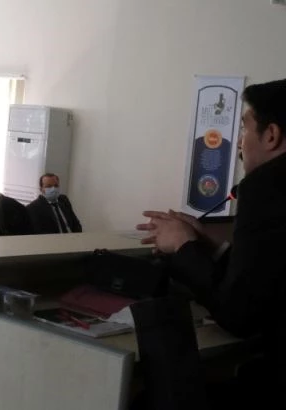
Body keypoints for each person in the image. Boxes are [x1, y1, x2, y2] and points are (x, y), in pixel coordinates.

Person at [136, 79, 286, 409]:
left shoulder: (267, 187)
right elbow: (268, 277)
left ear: (271, 135)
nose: (240, 143)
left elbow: (240, 313)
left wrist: (183, 247)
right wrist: (207, 243)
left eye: (245, 129)